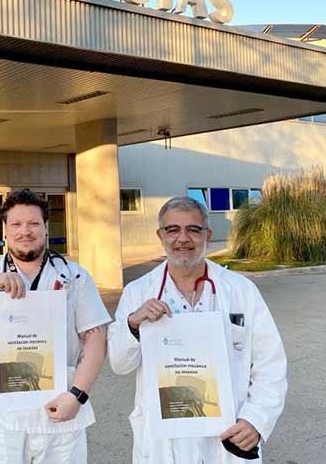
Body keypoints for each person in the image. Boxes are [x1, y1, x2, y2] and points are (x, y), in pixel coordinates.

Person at [0, 189, 111, 463]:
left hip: (59, 415)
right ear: (5, 230)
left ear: (45, 228)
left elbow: (96, 337)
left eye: (33, 224)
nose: (24, 231)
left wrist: (78, 395)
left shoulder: (73, 275)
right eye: (16, 224)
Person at [108, 196, 287, 463]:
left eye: (193, 229)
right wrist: (133, 325)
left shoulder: (240, 290)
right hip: (164, 443)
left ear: (207, 234)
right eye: (172, 230)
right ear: (160, 235)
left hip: (228, 435)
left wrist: (255, 419)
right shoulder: (138, 292)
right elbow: (119, 364)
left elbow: (270, 364)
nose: (183, 239)